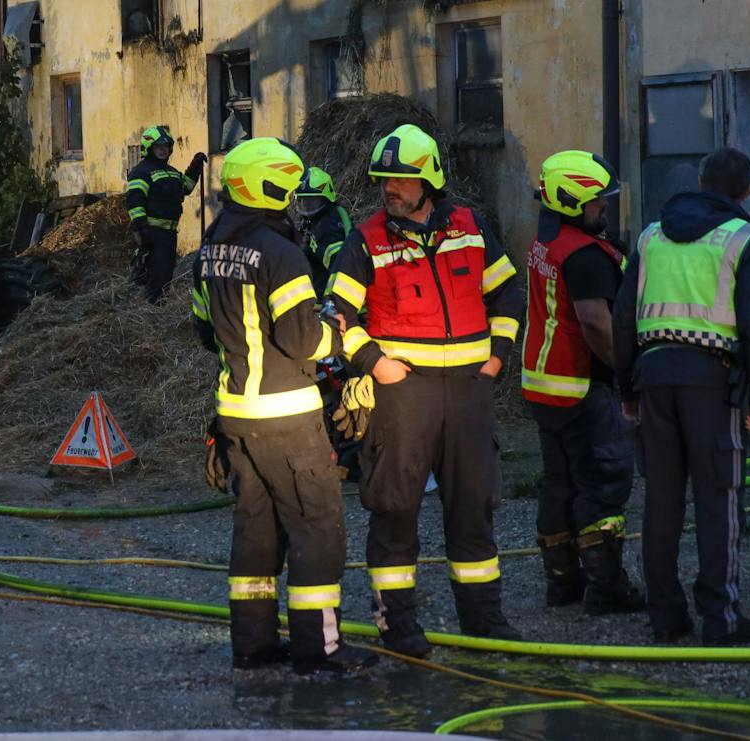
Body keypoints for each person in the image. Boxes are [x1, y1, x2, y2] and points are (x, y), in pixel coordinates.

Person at [326, 124, 524, 655]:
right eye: (383, 179)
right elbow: (336, 317)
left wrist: (496, 359)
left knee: (474, 507)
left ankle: (484, 622)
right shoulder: (365, 239)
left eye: (400, 179)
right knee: (394, 511)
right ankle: (398, 627)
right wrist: (374, 363)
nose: (389, 188)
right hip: (402, 397)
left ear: (429, 179)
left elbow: (507, 294)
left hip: (468, 394)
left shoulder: (471, 228)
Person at [191, 137, 376, 676]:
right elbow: (302, 340)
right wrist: (337, 337)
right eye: (288, 191)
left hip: (235, 416)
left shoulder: (210, 247)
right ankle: (320, 650)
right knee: (317, 527)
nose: (294, 202)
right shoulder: (282, 253)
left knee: (256, 530)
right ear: (270, 189)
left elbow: (204, 332)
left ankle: (252, 646)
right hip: (287, 417)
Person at [613, 147, 750, 645]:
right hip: (712, 382)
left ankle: (664, 617)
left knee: (661, 500)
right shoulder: (745, 238)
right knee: (718, 498)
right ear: (746, 189)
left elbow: (624, 317)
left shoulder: (650, 236)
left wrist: (626, 388)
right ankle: (721, 619)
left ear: (700, 180)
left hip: (653, 377)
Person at [521, 151, 645, 617]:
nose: (605, 210)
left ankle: (562, 584)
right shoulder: (585, 255)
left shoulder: (548, 240)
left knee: (560, 483)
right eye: (599, 202)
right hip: (581, 384)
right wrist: (626, 373)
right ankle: (607, 588)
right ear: (573, 202)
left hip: (544, 386)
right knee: (603, 481)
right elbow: (596, 324)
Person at [126, 125, 205, 302]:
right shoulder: (141, 172)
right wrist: (142, 228)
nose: (163, 150)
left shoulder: (171, 172)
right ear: (149, 148)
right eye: (158, 146)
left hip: (170, 233)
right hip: (153, 233)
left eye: (166, 146)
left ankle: (157, 303)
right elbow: (134, 201)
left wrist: (195, 166)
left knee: (167, 271)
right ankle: (153, 307)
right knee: (157, 273)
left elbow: (186, 187)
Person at [292, 167, 352, 296]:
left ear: (326, 198)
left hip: (326, 300)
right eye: (302, 201)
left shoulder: (329, 226)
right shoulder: (315, 221)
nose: (307, 207)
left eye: (312, 201)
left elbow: (340, 268)